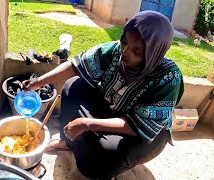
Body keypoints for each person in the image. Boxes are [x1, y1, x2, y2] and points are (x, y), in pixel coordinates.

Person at [25, 11, 184, 179]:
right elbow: (75, 66)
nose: (125, 53)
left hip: (143, 132)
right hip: (114, 107)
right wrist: (38, 82)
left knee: (105, 154)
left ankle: (107, 170)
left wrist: (87, 123)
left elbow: (135, 126)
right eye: (124, 42)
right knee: (72, 87)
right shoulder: (115, 51)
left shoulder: (168, 78)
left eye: (137, 52)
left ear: (154, 53)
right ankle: (69, 142)